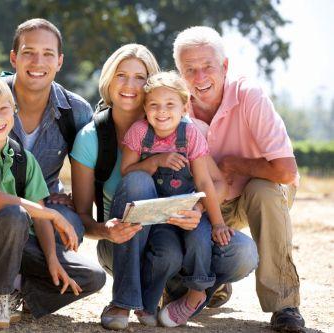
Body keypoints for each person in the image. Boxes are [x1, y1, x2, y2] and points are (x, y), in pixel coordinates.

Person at [71, 43, 258, 330]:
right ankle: (125, 300)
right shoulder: (94, 136)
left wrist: (196, 209)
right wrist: (106, 230)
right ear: (109, 79)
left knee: (242, 253)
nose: (131, 85)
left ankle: (186, 292)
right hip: (123, 239)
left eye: (140, 77)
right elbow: (83, 214)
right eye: (122, 75)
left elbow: (214, 182)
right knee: (136, 180)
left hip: (177, 228)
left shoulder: (182, 127)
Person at [0, 18, 105, 315]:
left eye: (48, 53)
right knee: (6, 212)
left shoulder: (75, 111)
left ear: (60, 61)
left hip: (40, 208)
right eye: (28, 52)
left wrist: (55, 250)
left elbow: (86, 170)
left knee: (90, 270)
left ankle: (16, 289)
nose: (38, 61)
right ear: (14, 57)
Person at [173, 26, 304, 332]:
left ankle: (284, 304)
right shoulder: (173, 106)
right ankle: (214, 283)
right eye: (189, 69)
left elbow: (286, 172)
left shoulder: (250, 96)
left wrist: (236, 165)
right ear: (178, 72)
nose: (199, 77)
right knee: (178, 289)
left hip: (252, 196)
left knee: (266, 190)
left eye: (208, 67)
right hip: (207, 200)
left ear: (226, 67)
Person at [0, 72, 81, 328]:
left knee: (90, 277)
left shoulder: (24, 158)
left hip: (17, 247)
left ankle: (19, 290)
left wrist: (52, 260)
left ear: (14, 109)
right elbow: (0, 200)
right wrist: (55, 215)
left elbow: (40, 214)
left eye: (4, 109)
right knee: (15, 213)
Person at [120, 71, 234, 326]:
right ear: (145, 109)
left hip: (189, 207)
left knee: (199, 238)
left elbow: (205, 182)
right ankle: (147, 305)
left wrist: (216, 222)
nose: (162, 112)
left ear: (184, 107)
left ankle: (197, 291)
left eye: (170, 105)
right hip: (159, 214)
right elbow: (127, 172)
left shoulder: (190, 134)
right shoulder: (139, 132)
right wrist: (157, 160)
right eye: (154, 105)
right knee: (165, 254)